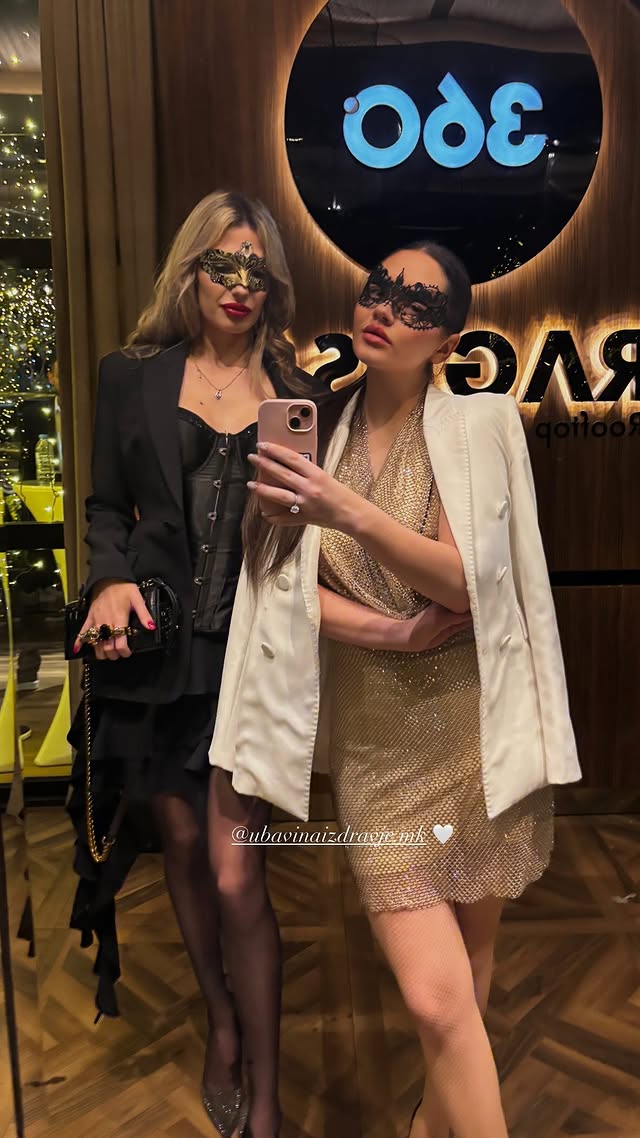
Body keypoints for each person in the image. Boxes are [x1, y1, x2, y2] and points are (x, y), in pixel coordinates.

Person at [209, 241, 582, 1138]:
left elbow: (465, 583)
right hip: (376, 748)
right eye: (381, 289)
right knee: (433, 994)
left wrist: (345, 511)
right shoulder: (316, 427)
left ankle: (428, 1125)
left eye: (418, 305)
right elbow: (285, 591)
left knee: (466, 976)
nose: (387, 309)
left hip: (474, 730)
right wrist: (391, 630)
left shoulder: (476, 425)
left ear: (447, 341)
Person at [68, 190, 324, 1138]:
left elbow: (313, 535)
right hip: (158, 657)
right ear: (192, 270)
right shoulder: (130, 376)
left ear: (274, 284)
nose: (239, 284)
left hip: (249, 658)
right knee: (179, 846)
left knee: (236, 875)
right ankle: (220, 1020)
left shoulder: (300, 391)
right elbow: (105, 506)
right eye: (223, 263)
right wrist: (106, 578)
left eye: (256, 267)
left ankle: (268, 1089)